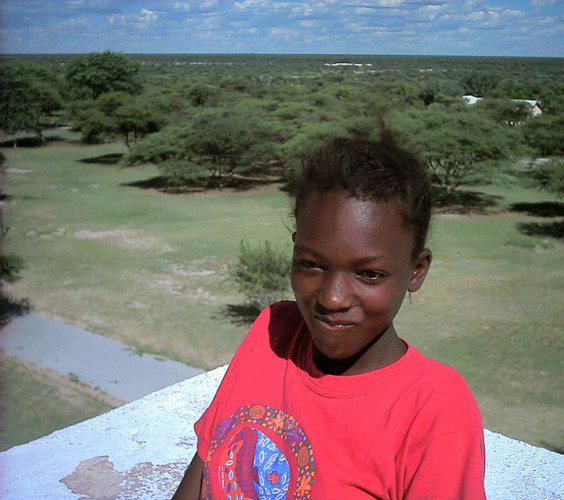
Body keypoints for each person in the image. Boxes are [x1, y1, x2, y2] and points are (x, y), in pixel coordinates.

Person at [172, 138, 485, 499]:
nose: (333, 298)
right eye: (311, 264)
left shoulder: (433, 408)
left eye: (369, 275)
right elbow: (207, 462)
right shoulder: (273, 332)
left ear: (416, 270)